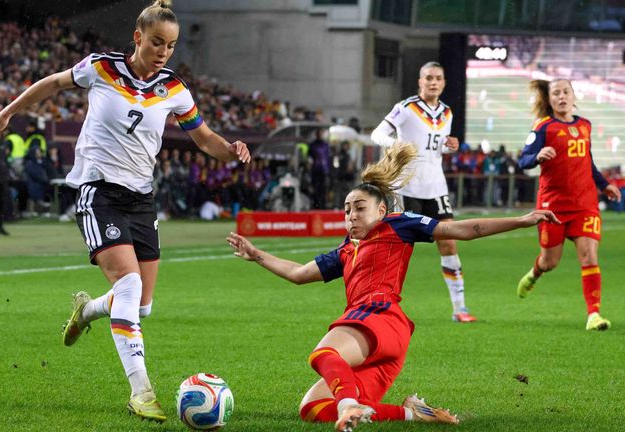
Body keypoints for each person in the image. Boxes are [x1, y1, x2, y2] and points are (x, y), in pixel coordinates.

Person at [0, 0, 250, 422]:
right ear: (138, 37)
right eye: (157, 42)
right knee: (127, 287)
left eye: (171, 45)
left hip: (141, 199)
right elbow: (52, 83)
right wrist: (6, 112)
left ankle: (87, 310)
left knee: (141, 307)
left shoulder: (173, 88)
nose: (163, 51)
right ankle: (141, 391)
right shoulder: (102, 67)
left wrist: (231, 151)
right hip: (98, 190)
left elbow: (205, 138)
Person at [226, 143, 560, 432]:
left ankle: (347, 407)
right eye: (346, 211)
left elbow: (465, 229)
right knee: (312, 409)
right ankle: (410, 413)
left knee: (324, 354)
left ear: (382, 210)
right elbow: (299, 273)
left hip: (380, 317)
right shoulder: (346, 250)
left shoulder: (397, 225)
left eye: (359, 208)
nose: (351, 217)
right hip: (379, 339)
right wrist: (257, 256)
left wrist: (521, 220)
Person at [370, 61, 477, 323]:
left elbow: (438, 149)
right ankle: (383, 303)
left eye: (438, 78)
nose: (433, 82)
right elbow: (377, 134)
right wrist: (398, 145)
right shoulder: (406, 108)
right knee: (400, 247)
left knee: (449, 242)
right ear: (420, 82)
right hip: (407, 186)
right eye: (428, 77)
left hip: (436, 187)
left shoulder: (447, 113)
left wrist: (450, 147)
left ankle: (460, 308)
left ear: (443, 83)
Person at [516, 79, 622, 331]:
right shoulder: (543, 127)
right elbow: (523, 160)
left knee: (589, 255)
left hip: (585, 204)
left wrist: (603, 184)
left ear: (574, 96)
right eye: (556, 93)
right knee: (550, 261)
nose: (561, 97)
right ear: (550, 99)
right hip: (552, 206)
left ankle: (593, 315)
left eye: (566, 92)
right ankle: (535, 273)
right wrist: (537, 156)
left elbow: (587, 160)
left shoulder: (585, 125)